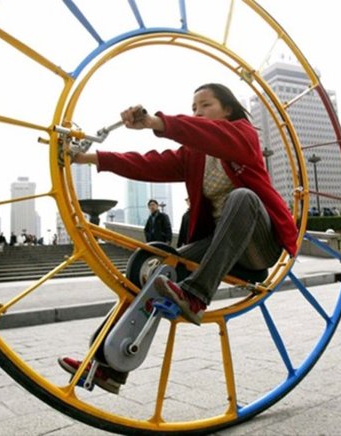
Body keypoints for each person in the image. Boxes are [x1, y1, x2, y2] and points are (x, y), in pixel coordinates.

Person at [60, 83, 298, 392]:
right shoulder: (194, 155)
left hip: (258, 245)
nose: (198, 112)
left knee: (243, 198)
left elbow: (208, 134)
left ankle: (196, 295)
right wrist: (89, 158)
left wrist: (155, 122)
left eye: (206, 105)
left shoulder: (243, 136)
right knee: (155, 267)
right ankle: (106, 366)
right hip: (221, 248)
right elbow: (149, 163)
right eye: (194, 107)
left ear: (227, 109)